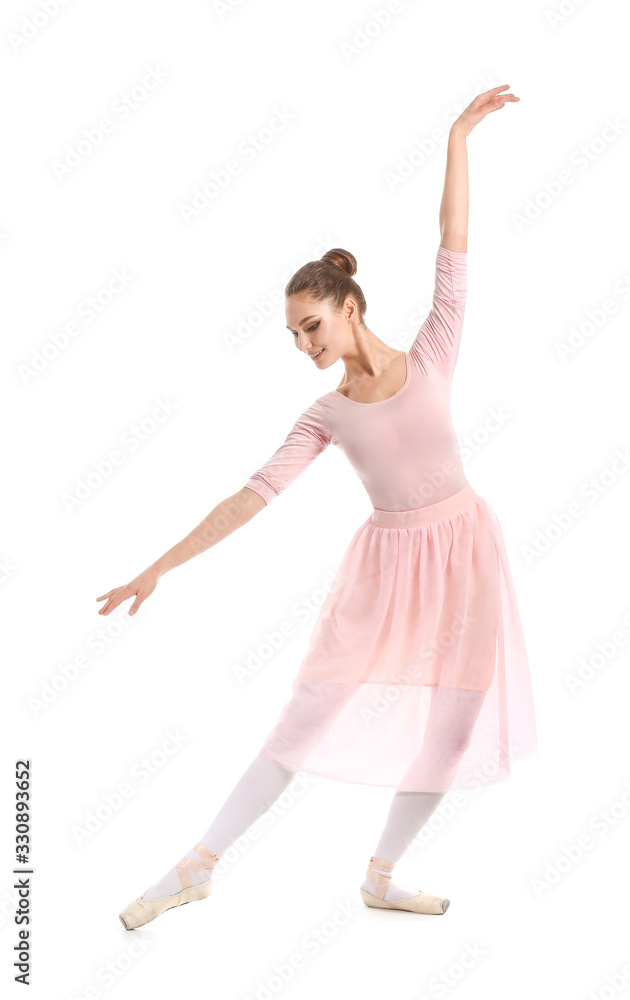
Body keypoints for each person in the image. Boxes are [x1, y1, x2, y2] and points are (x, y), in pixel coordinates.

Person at [98, 83, 537, 930]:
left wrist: (458, 135)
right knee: (306, 717)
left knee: (452, 723)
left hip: (466, 549)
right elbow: (250, 498)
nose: (303, 345)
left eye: (311, 327)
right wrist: (158, 566)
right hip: (387, 568)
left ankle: (381, 876)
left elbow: (453, 241)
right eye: (295, 334)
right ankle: (195, 866)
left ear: (349, 307)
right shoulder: (325, 414)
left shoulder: (433, 353)